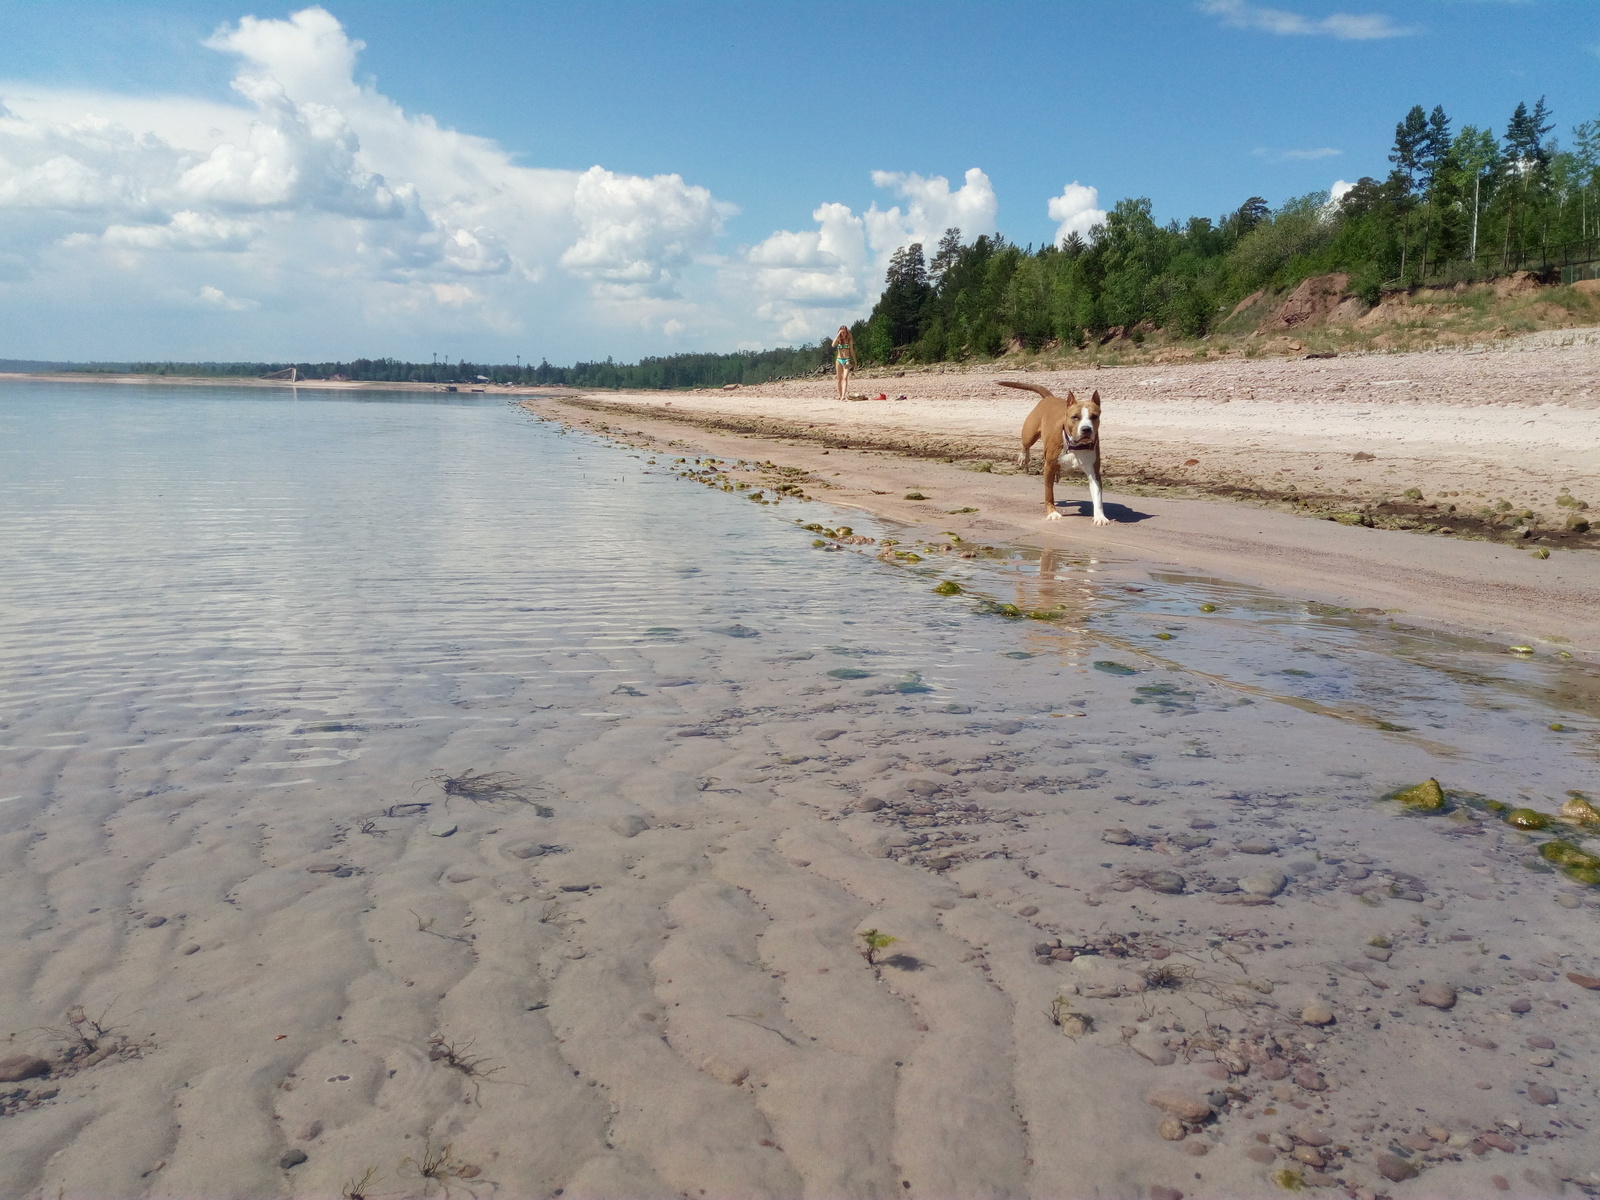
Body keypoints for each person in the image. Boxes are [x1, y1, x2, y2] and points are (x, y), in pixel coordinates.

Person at [831, 325, 855, 402]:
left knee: (845, 378)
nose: (843, 333)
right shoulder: (838, 340)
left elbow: (851, 350)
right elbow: (833, 344)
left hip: (846, 359)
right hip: (839, 360)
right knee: (839, 379)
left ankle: (843, 396)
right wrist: (838, 334)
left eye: (844, 332)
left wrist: (855, 360)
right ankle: (840, 395)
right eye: (842, 332)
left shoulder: (849, 340)